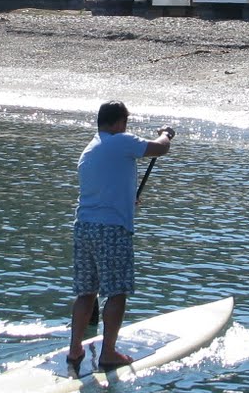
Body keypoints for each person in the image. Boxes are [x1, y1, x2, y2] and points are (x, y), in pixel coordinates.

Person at [67, 100, 174, 371]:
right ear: (119, 122)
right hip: (111, 229)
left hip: (83, 227)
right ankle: (109, 353)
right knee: (117, 292)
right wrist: (166, 133)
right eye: (126, 122)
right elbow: (160, 149)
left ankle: (75, 349)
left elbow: (106, 185)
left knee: (86, 292)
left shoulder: (90, 149)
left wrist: (126, 199)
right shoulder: (121, 141)